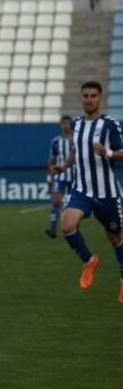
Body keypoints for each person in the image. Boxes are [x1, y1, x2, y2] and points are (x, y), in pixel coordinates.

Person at [52, 81, 123, 303]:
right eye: (86, 95)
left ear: (100, 98)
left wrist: (108, 152)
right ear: (81, 98)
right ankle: (89, 260)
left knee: (115, 237)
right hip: (81, 190)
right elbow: (76, 149)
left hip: (107, 193)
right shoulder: (76, 125)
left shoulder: (110, 124)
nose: (89, 99)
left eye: (93, 95)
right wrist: (64, 167)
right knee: (67, 224)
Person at [45, 115, 76, 239]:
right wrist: (49, 177)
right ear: (60, 125)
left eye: (68, 123)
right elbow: (51, 160)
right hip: (60, 176)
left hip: (75, 177)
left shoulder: (76, 140)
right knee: (57, 200)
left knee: (73, 205)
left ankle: (74, 227)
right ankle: (52, 228)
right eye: (63, 123)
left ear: (71, 125)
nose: (65, 125)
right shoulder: (56, 141)